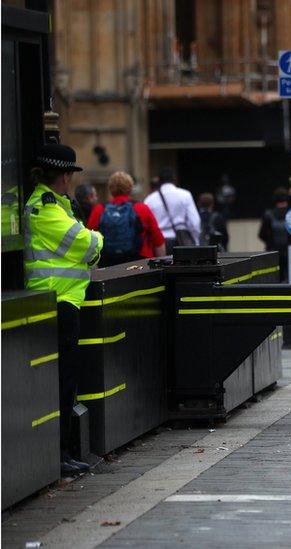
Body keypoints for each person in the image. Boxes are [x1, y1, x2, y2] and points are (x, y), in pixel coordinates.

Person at [23, 143, 103, 476]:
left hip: (64, 301)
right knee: (62, 383)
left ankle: (65, 452)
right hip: (56, 302)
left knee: (67, 382)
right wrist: (96, 240)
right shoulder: (44, 209)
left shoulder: (59, 206)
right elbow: (87, 244)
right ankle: (59, 454)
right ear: (66, 176)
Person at [87, 171, 166, 265]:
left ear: (110, 188)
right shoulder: (141, 208)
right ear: (130, 188)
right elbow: (158, 241)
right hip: (139, 264)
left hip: (108, 266)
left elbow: (89, 241)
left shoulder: (99, 210)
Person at [144, 167, 200, 252]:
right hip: (181, 241)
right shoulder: (185, 195)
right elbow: (194, 222)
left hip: (159, 244)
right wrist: (195, 241)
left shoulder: (149, 199)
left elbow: (146, 224)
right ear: (174, 179)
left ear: (159, 180)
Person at [258, 187, 290, 280]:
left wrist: (270, 242)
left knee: (274, 279)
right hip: (290, 253)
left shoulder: (269, 215)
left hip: (273, 253)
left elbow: (261, 234)